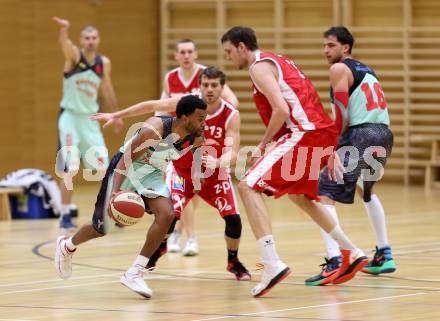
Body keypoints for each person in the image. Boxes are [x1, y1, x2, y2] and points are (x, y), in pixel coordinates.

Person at [221, 26, 368, 298]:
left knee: (247, 185)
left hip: (305, 132)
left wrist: (263, 145)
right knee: (302, 197)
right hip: (320, 131)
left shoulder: (258, 67)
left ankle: (271, 264)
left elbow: (281, 109)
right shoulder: (279, 60)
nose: (229, 58)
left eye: (229, 52)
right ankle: (351, 251)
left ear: (242, 47)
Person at [92, 67, 251, 282]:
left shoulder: (231, 114)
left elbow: (233, 152)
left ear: (223, 88)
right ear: (200, 85)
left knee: (234, 220)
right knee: (169, 216)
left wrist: (217, 162)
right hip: (180, 171)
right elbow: (151, 106)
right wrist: (117, 114)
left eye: (215, 85)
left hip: (214, 174)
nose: (210, 89)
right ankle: (156, 253)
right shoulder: (186, 104)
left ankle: (234, 261)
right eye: (206, 84)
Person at [55, 95, 207, 299]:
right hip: (125, 168)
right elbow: (124, 162)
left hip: (151, 174)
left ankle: (134, 272)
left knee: (167, 215)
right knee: (102, 228)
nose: (204, 124)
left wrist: (198, 175)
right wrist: (115, 192)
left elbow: (196, 161)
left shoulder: (196, 136)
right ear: (185, 118)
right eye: (201, 119)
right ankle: (67, 245)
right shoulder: (153, 130)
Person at [305, 26, 395, 286]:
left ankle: (335, 260)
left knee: (323, 192)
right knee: (364, 191)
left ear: (345, 48)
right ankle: (384, 254)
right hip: (383, 133)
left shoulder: (338, 69)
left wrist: (332, 143)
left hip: (360, 134)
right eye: (324, 45)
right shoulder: (365, 69)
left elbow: (342, 112)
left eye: (331, 45)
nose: (325, 50)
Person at [160, 39, 238, 256]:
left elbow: (232, 101)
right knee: (180, 193)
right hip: (179, 142)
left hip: (201, 142)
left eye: (189, 52)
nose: (186, 56)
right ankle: (181, 235)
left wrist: (214, 123)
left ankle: (188, 236)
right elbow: (162, 107)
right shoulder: (171, 77)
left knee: (188, 194)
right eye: (182, 52)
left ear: (196, 55)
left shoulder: (206, 77)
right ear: (176, 55)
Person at [52, 17, 123, 231]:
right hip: (70, 119)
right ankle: (64, 215)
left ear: (98, 40)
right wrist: (64, 31)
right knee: (69, 167)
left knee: (104, 168)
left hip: (90, 120)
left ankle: (112, 211)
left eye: (94, 37)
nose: (91, 41)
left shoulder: (104, 63)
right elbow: (65, 45)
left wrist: (117, 113)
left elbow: (107, 88)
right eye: (87, 38)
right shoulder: (74, 56)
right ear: (81, 41)